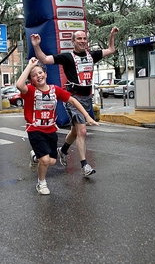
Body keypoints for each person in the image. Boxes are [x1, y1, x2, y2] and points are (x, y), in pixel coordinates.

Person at [30, 26, 119, 177]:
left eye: (84, 38)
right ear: (72, 42)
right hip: (73, 97)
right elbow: (44, 59)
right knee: (82, 131)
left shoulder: (92, 55)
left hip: (87, 99)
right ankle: (85, 165)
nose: (83, 41)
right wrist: (36, 45)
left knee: (74, 131)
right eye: (79, 38)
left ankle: (63, 150)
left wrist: (111, 35)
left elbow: (111, 49)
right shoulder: (67, 57)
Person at [16, 57, 99, 195]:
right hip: (35, 130)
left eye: (40, 73)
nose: (38, 76)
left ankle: (35, 157)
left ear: (45, 74)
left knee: (53, 161)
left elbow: (72, 100)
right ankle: (41, 183)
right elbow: (19, 85)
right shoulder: (30, 91)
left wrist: (88, 116)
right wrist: (30, 66)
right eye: (34, 75)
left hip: (50, 130)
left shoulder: (55, 90)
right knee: (45, 160)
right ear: (31, 79)